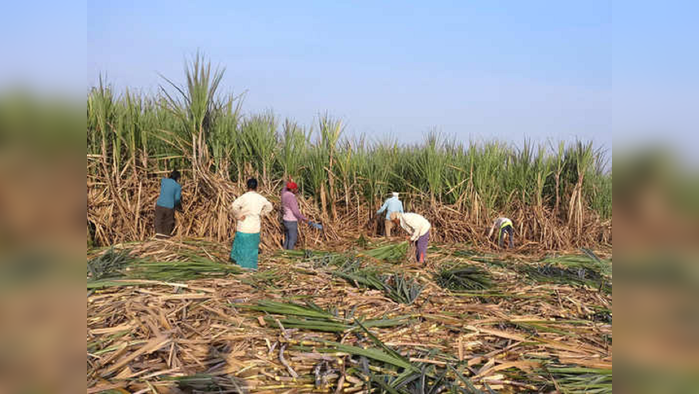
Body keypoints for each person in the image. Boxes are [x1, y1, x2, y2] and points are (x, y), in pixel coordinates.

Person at [230, 178, 273, 269]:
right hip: (255, 225)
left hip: (244, 224)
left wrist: (239, 215)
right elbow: (269, 207)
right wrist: (262, 213)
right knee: (252, 248)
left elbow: (234, 206)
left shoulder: (244, 197)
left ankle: (240, 266)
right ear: (256, 187)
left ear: (247, 186)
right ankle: (250, 267)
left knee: (242, 246)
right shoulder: (260, 198)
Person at [280, 181, 308, 250]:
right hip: (291, 221)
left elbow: (284, 188)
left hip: (285, 219)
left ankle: (284, 252)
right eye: (296, 189)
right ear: (292, 190)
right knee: (292, 239)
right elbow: (295, 212)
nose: (297, 190)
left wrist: (288, 183)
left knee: (288, 237)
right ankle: (290, 254)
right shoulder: (291, 198)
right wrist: (304, 218)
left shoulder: (284, 194)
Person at [154, 170, 182, 239]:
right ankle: (165, 238)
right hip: (169, 207)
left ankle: (158, 236)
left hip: (160, 205)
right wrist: (175, 204)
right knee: (168, 222)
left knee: (158, 220)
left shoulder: (163, 181)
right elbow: (177, 199)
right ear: (177, 178)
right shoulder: (178, 186)